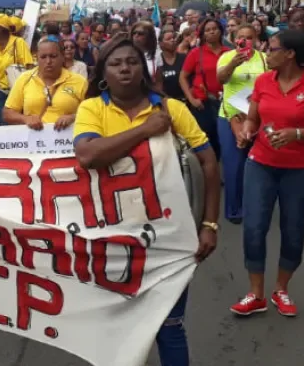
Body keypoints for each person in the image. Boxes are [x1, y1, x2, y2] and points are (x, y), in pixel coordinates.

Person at [73, 38, 220, 366]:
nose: (124, 69)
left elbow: (209, 162)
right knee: (117, 327)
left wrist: (209, 224)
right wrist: (146, 130)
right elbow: (88, 155)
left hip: (169, 237)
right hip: (111, 238)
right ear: (103, 73)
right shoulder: (92, 109)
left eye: (132, 62)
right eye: (115, 63)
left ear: (143, 69)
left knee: (169, 327)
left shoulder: (171, 108)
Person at [230, 30, 304, 318]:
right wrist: (246, 131)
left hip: (301, 171)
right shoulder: (263, 81)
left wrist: (297, 133)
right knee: (254, 229)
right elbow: (253, 117)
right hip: (260, 164)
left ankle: (281, 288)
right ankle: (256, 294)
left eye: (271, 49)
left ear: (290, 54)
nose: (266, 54)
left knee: (293, 232)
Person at [216, 24, 267, 223]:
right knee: (234, 166)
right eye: (241, 37)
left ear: (255, 39)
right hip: (230, 116)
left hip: (257, 117)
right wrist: (233, 65)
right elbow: (220, 79)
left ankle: (255, 206)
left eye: (249, 37)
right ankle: (234, 210)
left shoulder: (263, 59)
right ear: (235, 38)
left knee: (257, 165)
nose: (244, 40)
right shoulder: (227, 57)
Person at [3, 37, 87, 131]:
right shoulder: (24, 79)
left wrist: (73, 117)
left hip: (68, 142)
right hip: (34, 140)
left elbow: (92, 112)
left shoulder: (79, 81)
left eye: (53, 56)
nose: (48, 61)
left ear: (62, 57)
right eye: (43, 57)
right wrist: (26, 119)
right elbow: (8, 113)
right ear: (37, 58)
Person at [178, 18, 231, 160]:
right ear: (203, 34)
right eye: (208, 30)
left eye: (215, 28)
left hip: (225, 103)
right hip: (202, 104)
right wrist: (191, 99)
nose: (212, 32)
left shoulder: (230, 53)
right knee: (206, 142)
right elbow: (183, 77)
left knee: (223, 140)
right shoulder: (196, 53)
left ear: (221, 31)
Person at [0, 14, 34, 123]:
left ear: (0, 29)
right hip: (2, 95)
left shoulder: (18, 42)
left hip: (19, 95)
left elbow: (29, 67)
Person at [155, 29, 186, 101]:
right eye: (168, 39)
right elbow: (158, 86)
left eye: (173, 38)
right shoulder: (158, 61)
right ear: (161, 43)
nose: (172, 40)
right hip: (167, 101)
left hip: (185, 100)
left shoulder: (184, 57)